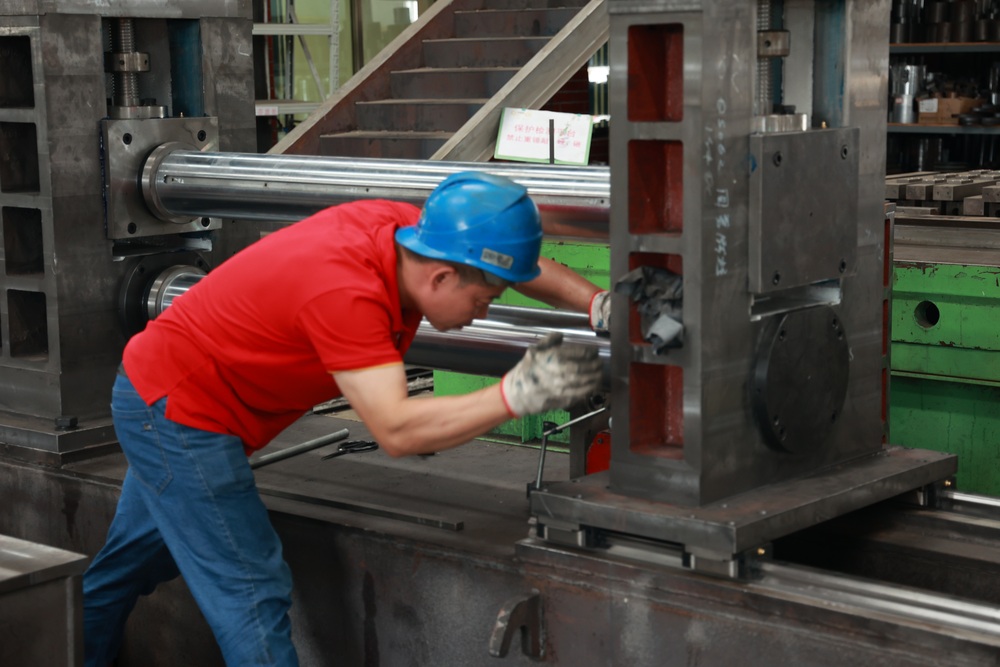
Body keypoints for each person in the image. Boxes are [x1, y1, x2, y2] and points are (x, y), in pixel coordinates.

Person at [82, 171, 611, 666]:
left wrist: (597, 303)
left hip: (170, 393)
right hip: (179, 412)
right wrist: (517, 394)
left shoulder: (415, 235)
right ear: (442, 275)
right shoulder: (347, 293)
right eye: (484, 298)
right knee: (250, 589)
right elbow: (396, 430)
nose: (486, 312)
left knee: (129, 566)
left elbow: (517, 263)